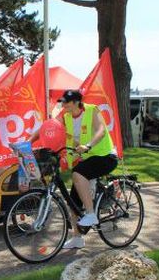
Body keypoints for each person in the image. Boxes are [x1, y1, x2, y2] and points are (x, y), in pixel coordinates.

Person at [31, 89, 118, 249]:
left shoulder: (91, 110)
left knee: (78, 174)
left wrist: (88, 145)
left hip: (105, 156)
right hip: (86, 159)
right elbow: (47, 127)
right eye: (62, 102)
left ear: (76, 102)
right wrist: (29, 142)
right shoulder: (66, 116)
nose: (63, 105)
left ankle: (91, 214)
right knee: (72, 203)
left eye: (66, 102)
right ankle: (77, 238)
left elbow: (100, 130)